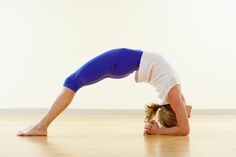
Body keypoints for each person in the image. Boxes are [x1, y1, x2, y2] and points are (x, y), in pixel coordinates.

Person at [17, 48, 192, 136]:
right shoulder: (176, 93)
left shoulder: (173, 94)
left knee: (72, 81)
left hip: (121, 61)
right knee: (73, 81)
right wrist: (181, 114)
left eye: (183, 110)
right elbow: (185, 112)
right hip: (123, 62)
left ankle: (41, 127)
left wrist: (158, 132)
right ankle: (42, 126)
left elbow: (185, 129)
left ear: (175, 109)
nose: (186, 109)